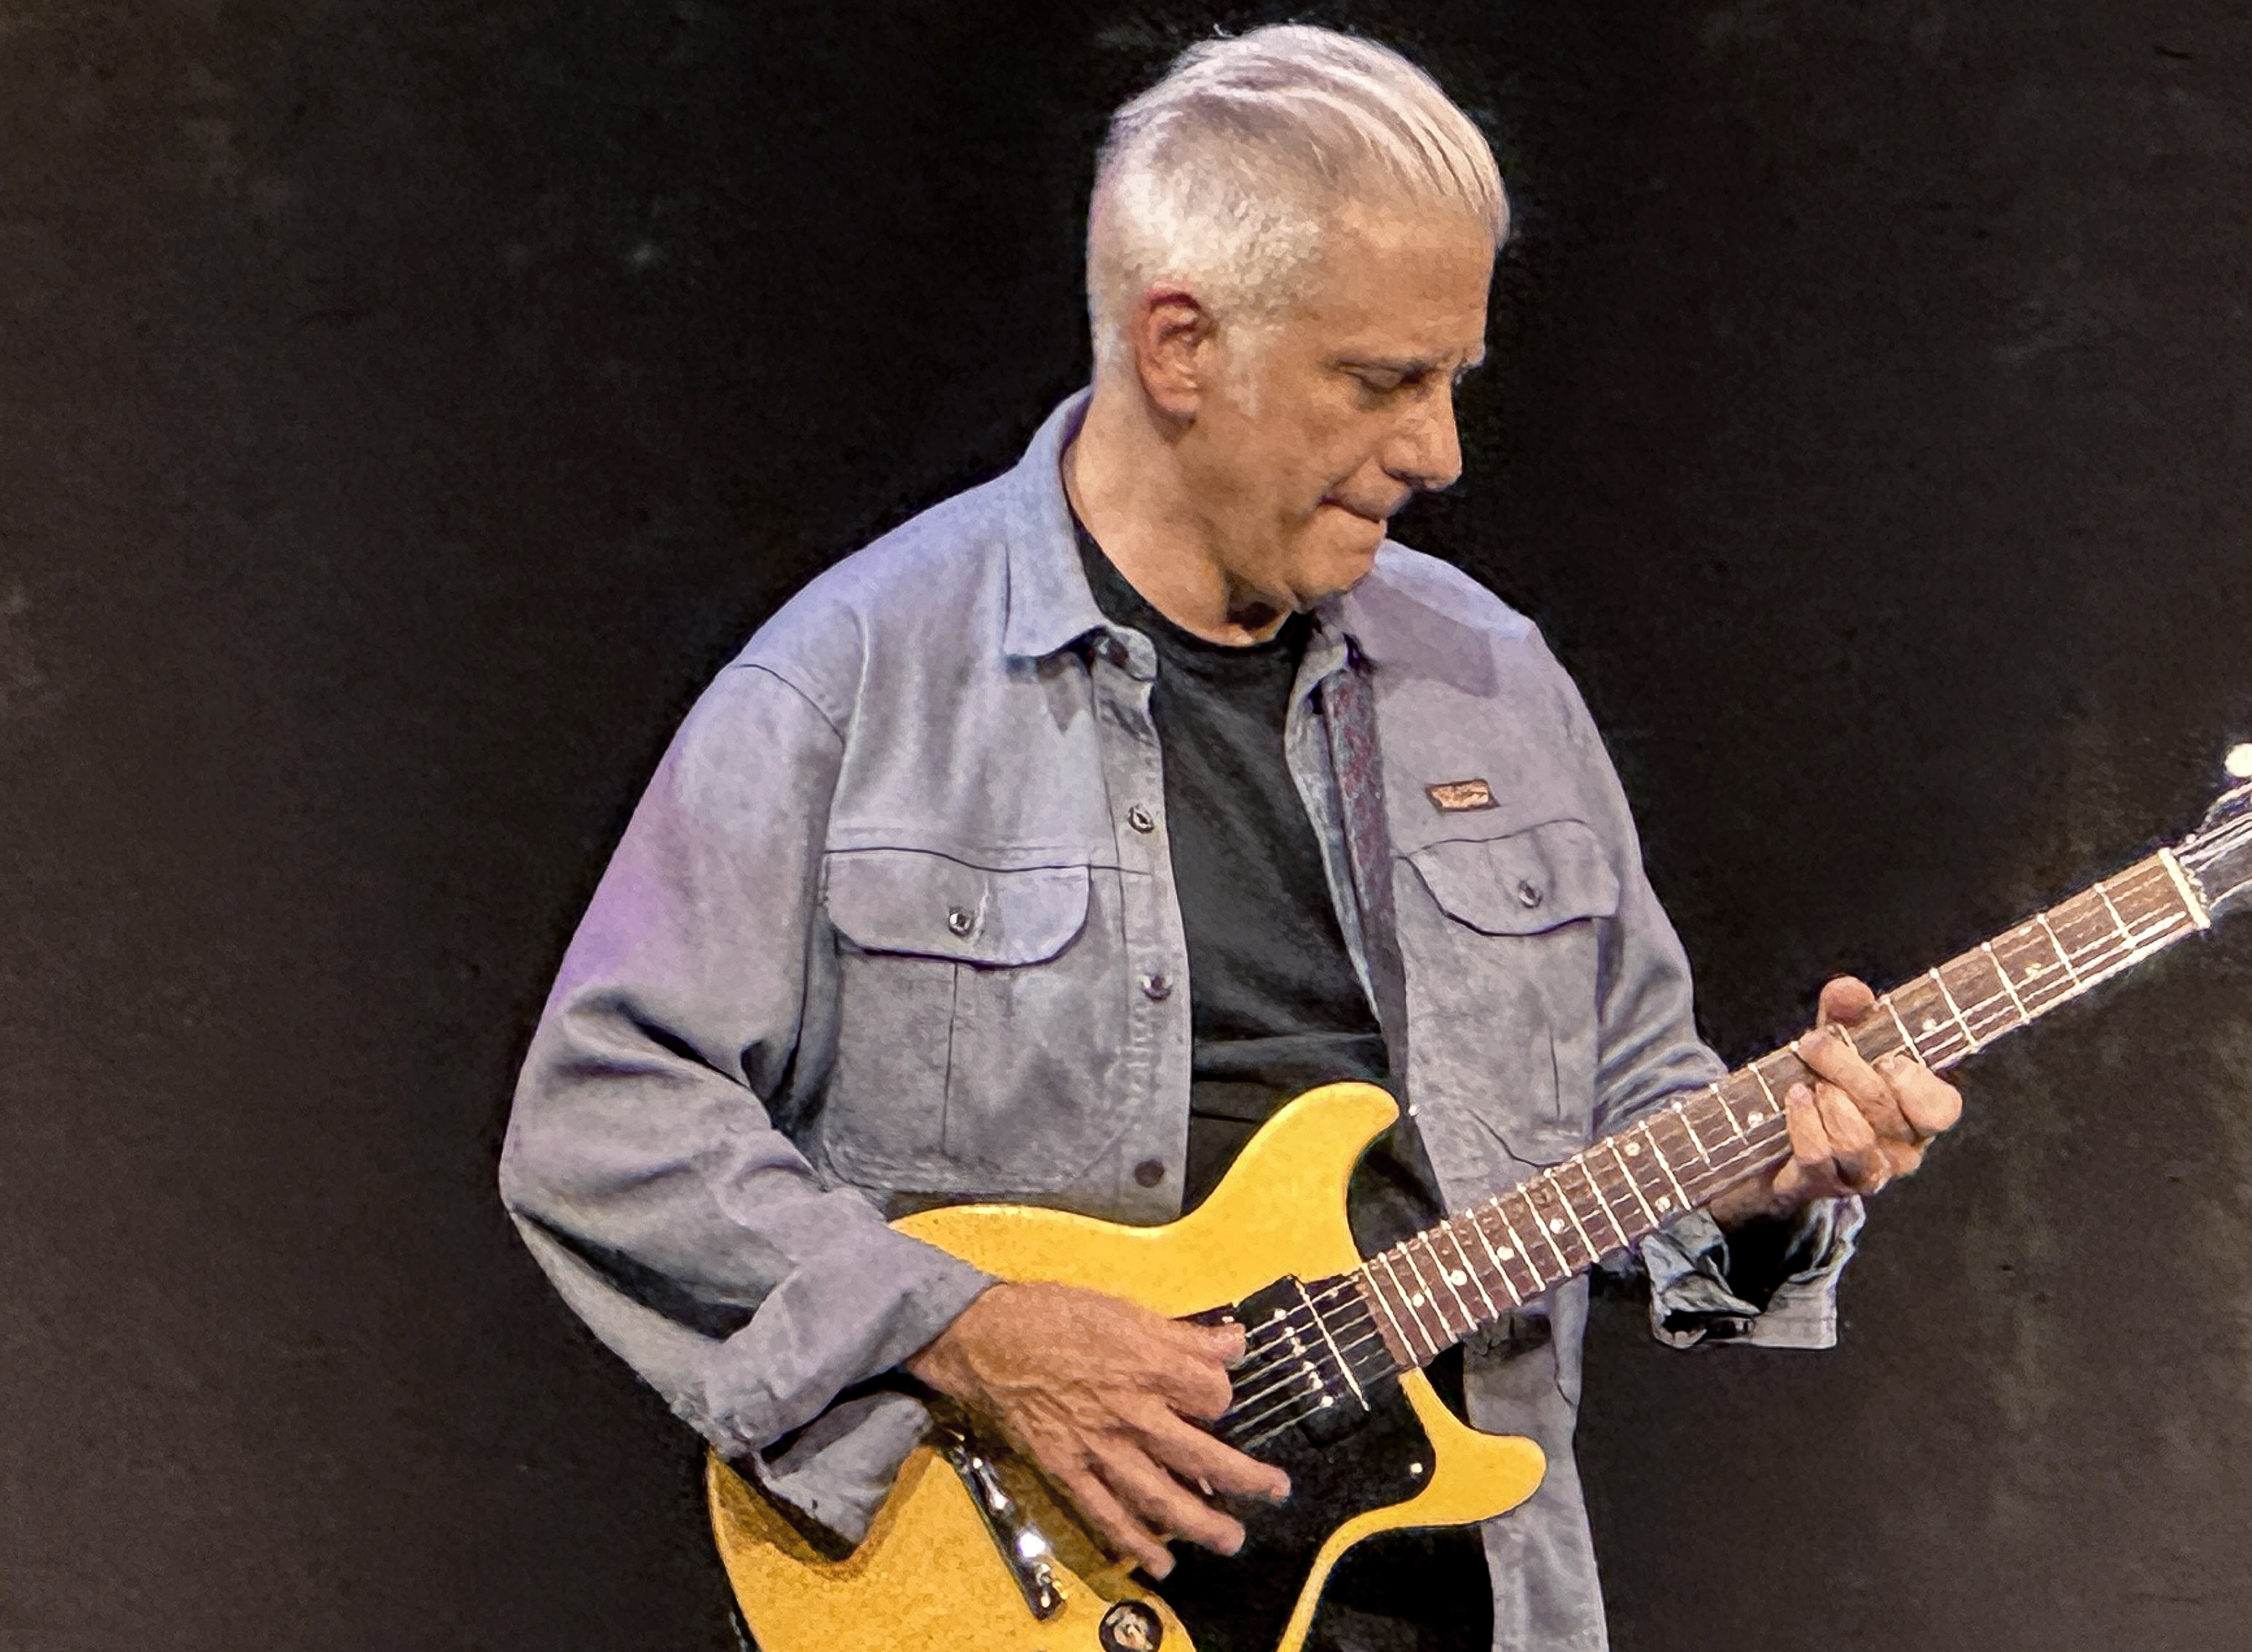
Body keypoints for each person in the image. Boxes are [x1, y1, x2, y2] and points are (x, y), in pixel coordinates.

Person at [500, 24, 1963, 1651]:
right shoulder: (850, 688)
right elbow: (604, 1120)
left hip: (1475, 1598)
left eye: (1453, 381)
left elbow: (1639, 1120)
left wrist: (1769, 1186)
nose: (1438, 452)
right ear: (1181, 346)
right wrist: (968, 1330)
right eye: (1381, 383)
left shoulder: (1496, 686)